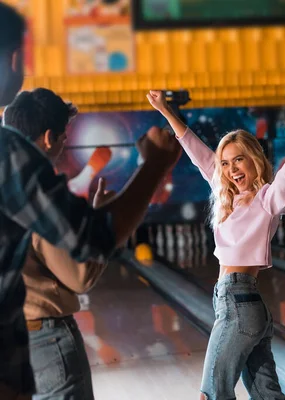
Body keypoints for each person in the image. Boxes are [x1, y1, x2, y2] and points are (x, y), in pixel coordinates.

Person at [0, 4, 181, 399]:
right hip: (41, 338)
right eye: (18, 53)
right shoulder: (13, 159)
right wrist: (154, 166)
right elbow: (83, 260)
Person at [147, 90, 285, 400]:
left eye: (239, 160)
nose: (232, 170)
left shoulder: (267, 200)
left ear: (254, 160)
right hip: (241, 305)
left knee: (212, 395)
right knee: (268, 396)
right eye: (226, 164)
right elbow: (199, 153)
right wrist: (166, 112)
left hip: (238, 303)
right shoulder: (225, 195)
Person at [3, 88, 116, 400]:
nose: (66, 142)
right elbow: (80, 277)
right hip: (43, 340)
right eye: (64, 135)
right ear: (49, 137)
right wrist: (101, 216)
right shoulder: (35, 191)